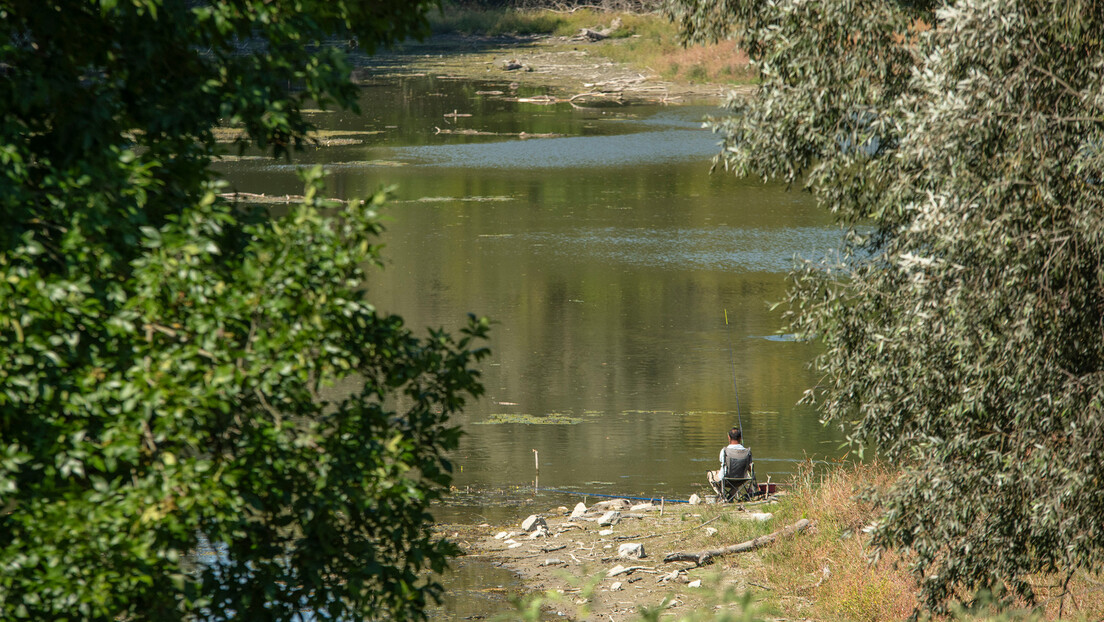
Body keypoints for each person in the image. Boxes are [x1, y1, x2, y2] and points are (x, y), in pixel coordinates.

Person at [707, 427, 754, 499]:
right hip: (741, 480)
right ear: (740, 438)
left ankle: (722, 496)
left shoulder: (724, 451)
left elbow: (723, 465)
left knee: (710, 474)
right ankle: (731, 496)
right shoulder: (747, 452)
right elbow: (750, 469)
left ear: (729, 437)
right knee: (738, 473)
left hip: (726, 480)